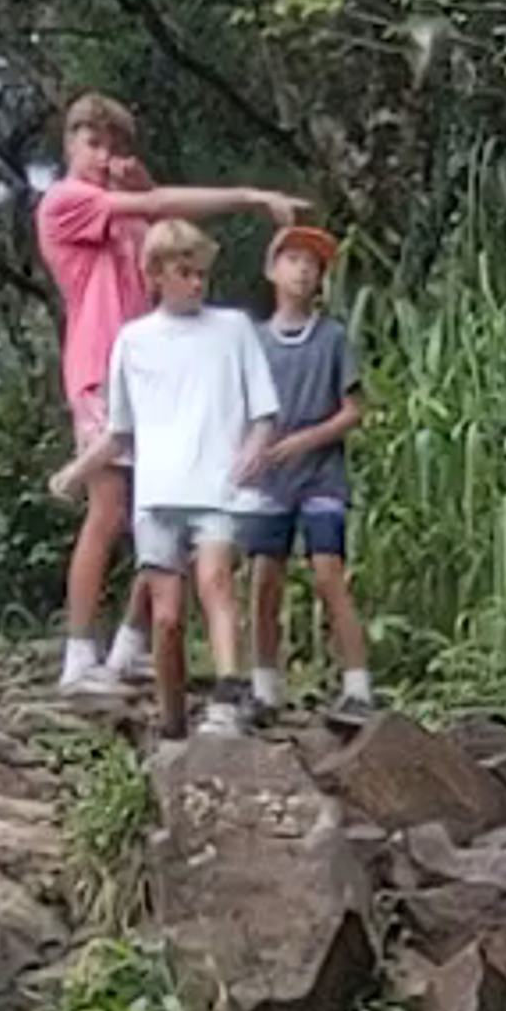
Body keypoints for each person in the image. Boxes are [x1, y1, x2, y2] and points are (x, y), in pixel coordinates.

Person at [35, 96, 299, 703]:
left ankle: (128, 646)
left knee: (165, 505)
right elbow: (154, 209)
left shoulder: (121, 214)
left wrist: (146, 180)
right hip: (102, 367)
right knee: (108, 509)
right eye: (93, 144)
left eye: (113, 146)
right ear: (70, 144)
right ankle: (78, 655)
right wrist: (250, 198)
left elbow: (173, 245)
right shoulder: (68, 202)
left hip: (157, 369)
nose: (104, 159)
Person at [92, 214, 278, 740]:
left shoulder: (233, 329)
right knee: (167, 614)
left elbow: (265, 410)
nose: (196, 283)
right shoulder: (132, 340)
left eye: (200, 273)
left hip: (218, 486)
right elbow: (119, 431)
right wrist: (76, 472)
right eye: (184, 272)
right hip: (157, 493)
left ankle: (227, 693)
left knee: (216, 581)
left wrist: (254, 447)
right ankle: (172, 717)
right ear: (155, 275)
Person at [232, 224, 376, 723]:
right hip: (269, 481)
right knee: (263, 579)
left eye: (312, 265)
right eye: (292, 260)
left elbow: (354, 409)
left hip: (321, 476)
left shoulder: (333, 338)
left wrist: (305, 440)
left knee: (328, 574)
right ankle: (265, 688)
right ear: (272, 270)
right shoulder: (252, 342)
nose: (302, 270)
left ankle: (358, 687)